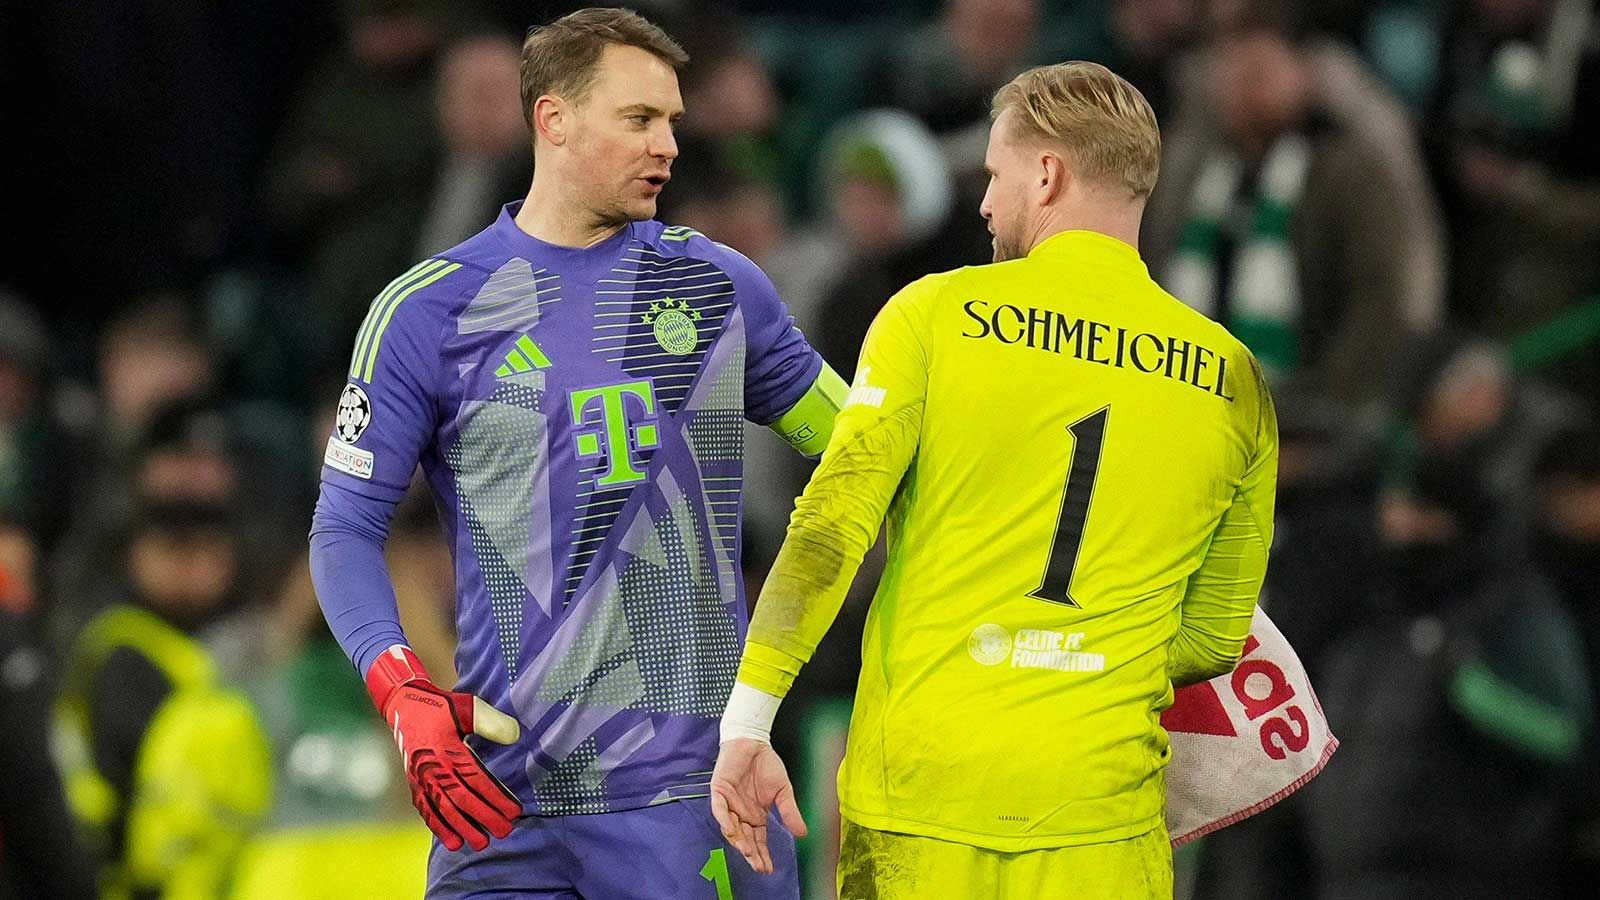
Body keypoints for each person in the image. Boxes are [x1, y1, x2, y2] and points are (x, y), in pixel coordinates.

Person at [308, 8, 848, 898]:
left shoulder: (715, 287)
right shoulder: (426, 312)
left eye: (673, 120)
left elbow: (863, 453)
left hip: (689, 799)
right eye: (639, 119)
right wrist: (402, 690)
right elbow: (343, 529)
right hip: (498, 807)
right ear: (552, 120)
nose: (667, 144)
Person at [712, 62, 1278, 899]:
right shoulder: (1233, 378)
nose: (983, 203)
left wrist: (749, 722)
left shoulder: (932, 316)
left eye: (993, 174)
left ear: (1046, 174)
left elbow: (829, 531)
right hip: (1101, 815)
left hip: (922, 801)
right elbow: (1214, 637)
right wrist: (1084, 661)